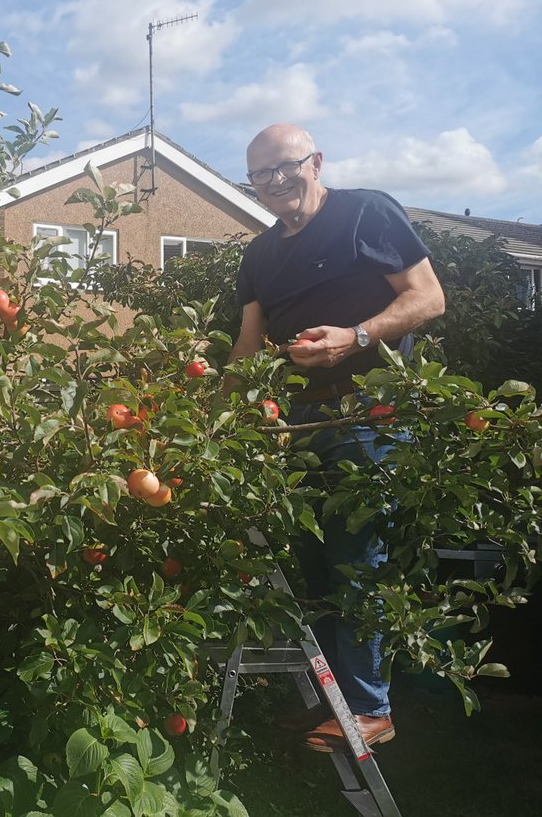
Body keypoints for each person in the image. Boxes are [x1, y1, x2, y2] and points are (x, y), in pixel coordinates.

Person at [228, 124, 446, 752]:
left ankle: (370, 708)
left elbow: (428, 297)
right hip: (297, 424)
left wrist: (357, 335)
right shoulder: (260, 255)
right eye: (261, 175)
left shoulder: (366, 213)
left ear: (315, 162)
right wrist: (218, 416)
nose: (274, 182)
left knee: (356, 560)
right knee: (313, 566)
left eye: (285, 167)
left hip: (364, 418)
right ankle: (337, 702)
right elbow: (248, 345)